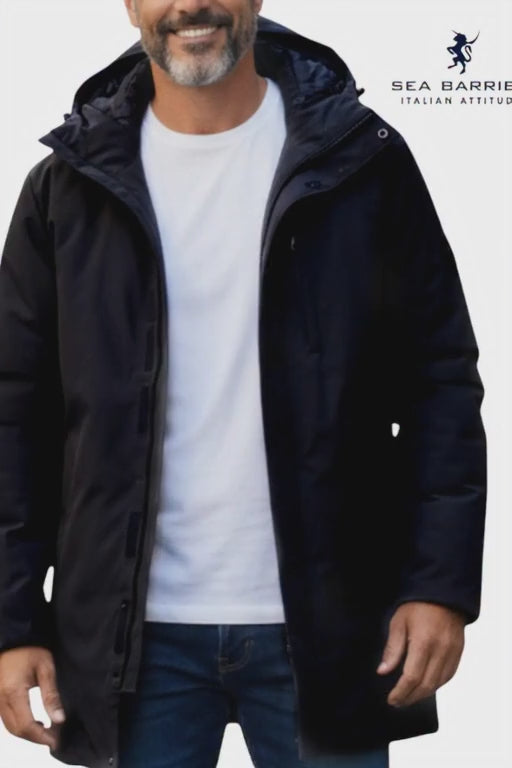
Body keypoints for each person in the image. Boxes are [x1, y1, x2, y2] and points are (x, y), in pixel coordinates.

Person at [0, 2, 487, 768]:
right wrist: (14, 620)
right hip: (130, 643)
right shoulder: (67, 189)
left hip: (332, 628)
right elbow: (15, 417)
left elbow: (440, 383)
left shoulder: (360, 164)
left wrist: (439, 583)